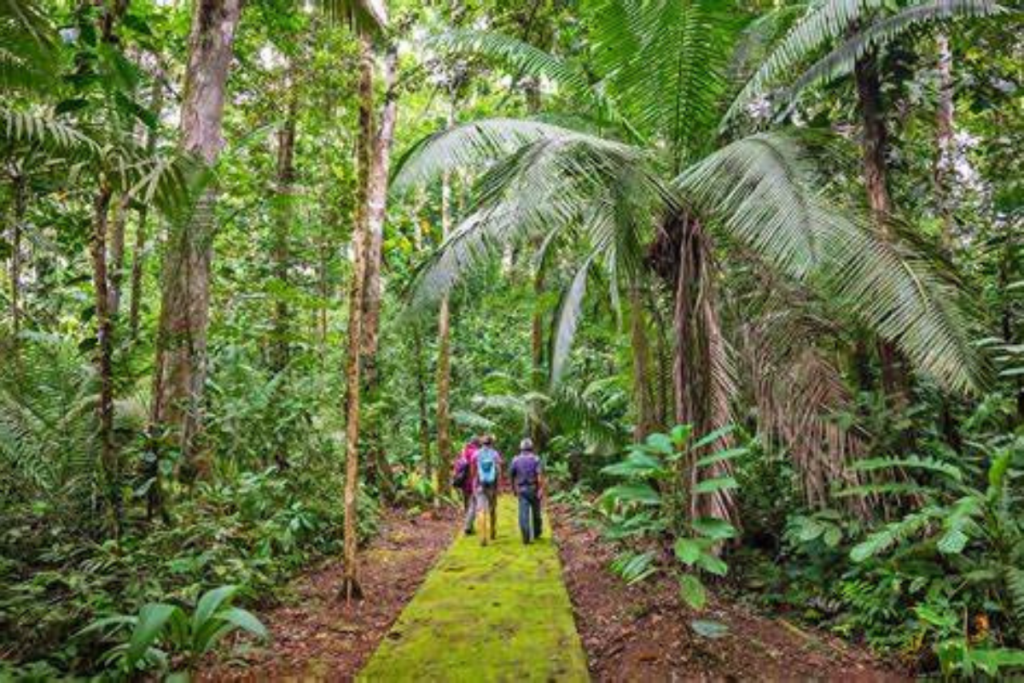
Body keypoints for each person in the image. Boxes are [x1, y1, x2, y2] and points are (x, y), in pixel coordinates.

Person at [509, 438, 544, 544]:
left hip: (521, 489)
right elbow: (539, 476)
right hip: (533, 488)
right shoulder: (536, 459)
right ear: (531, 448)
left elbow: (511, 475)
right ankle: (537, 532)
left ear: (521, 448)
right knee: (536, 513)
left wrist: (514, 489)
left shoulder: (515, 460)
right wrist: (541, 489)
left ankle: (526, 536)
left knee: (523, 514)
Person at [474, 435, 503, 546]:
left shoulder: (477, 454)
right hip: (492, 484)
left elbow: (474, 470)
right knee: (492, 508)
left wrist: (475, 483)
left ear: (481, 443)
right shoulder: (495, 454)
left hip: (481, 484)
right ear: (491, 443)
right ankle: (492, 531)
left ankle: (483, 537)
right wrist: (500, 485)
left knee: (481, 509)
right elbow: (499, 470)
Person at [453, 436, 480, 535]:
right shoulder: (475, 452)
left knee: (467, 503)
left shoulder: (463, 451)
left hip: (462, 481)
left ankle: (468, 525)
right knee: (474, 504)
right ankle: (468, 526)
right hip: (471, 481)